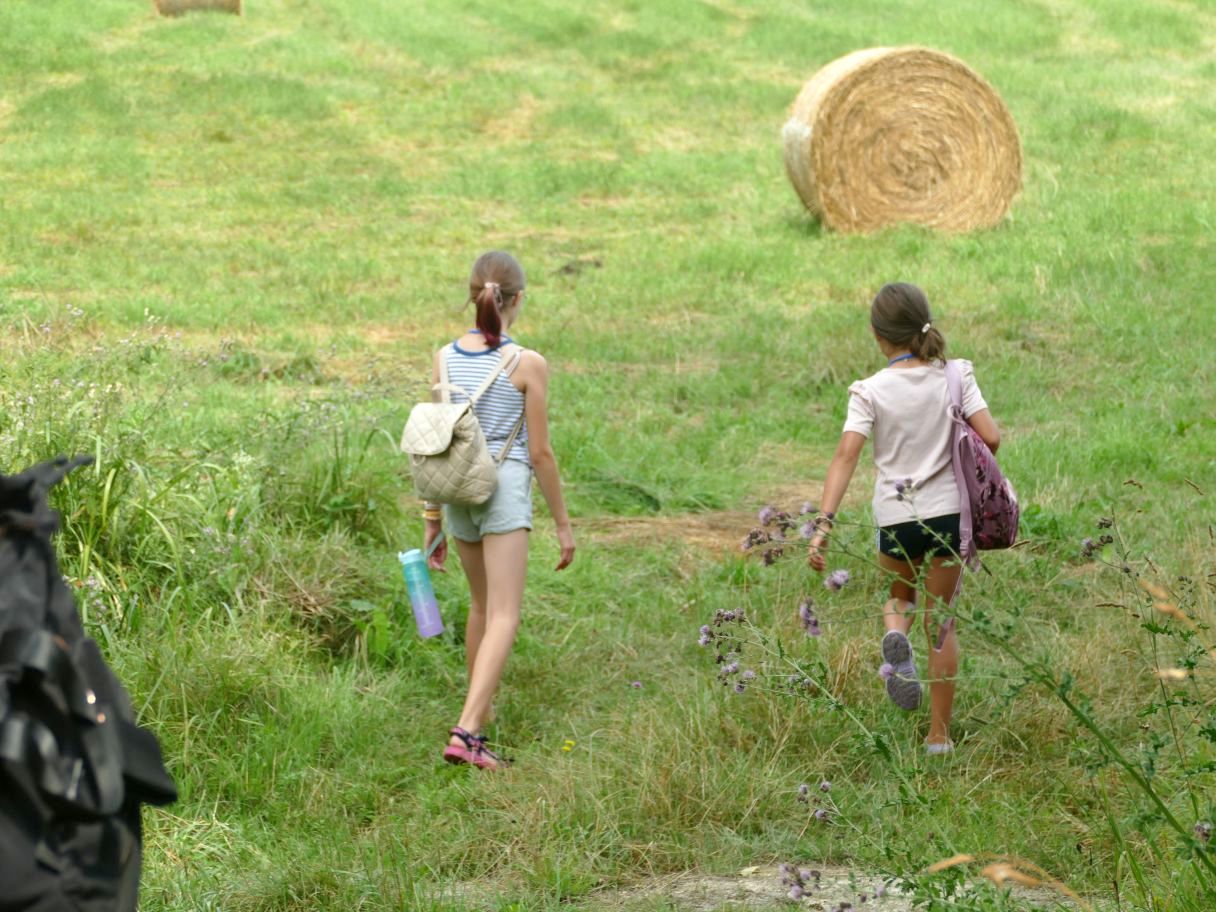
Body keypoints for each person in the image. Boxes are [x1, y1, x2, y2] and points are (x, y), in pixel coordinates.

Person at [806, 282, 1000, 755]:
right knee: (942, 623)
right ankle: (938, 738)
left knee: (899, 597)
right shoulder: (957, 375)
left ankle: (895, 637)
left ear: (878, 335)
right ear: (924, 324)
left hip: (896, 519)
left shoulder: (869, 391)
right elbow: (990, 438)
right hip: (950, 516)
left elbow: (845, 457)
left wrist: (825, 524)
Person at [423, 251, 575, 770]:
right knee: (505, 613)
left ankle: (478, 726)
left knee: (482, 608)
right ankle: (467, 730)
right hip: (504, 490)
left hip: (459, 490)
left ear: (474, 295)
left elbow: (437, 440)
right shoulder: (526, 363)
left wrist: (432, 518)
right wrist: (562, 523)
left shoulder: (444, 357)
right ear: (518, 300)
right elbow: (540, 454)